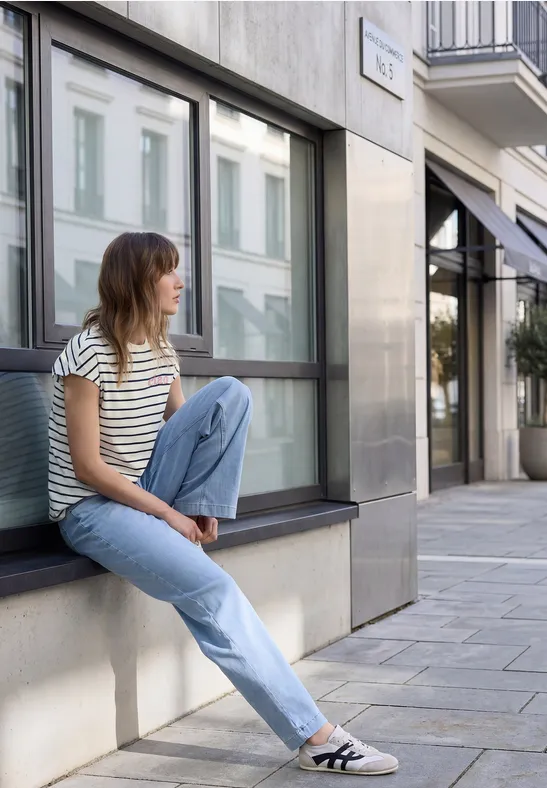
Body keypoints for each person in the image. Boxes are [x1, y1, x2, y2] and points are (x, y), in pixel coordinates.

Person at [49, 232, 398, 776]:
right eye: (168, 272)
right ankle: (315, 738)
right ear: (139, 281)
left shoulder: (162, 350)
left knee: (231, 392)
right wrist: (167, 515)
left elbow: (185, 429)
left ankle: (204, 510)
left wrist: (196, 503)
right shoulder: (87, 352)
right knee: (212, 589)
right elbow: (87, 468)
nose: (180, 282)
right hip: (91, 510)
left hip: (146, 491)